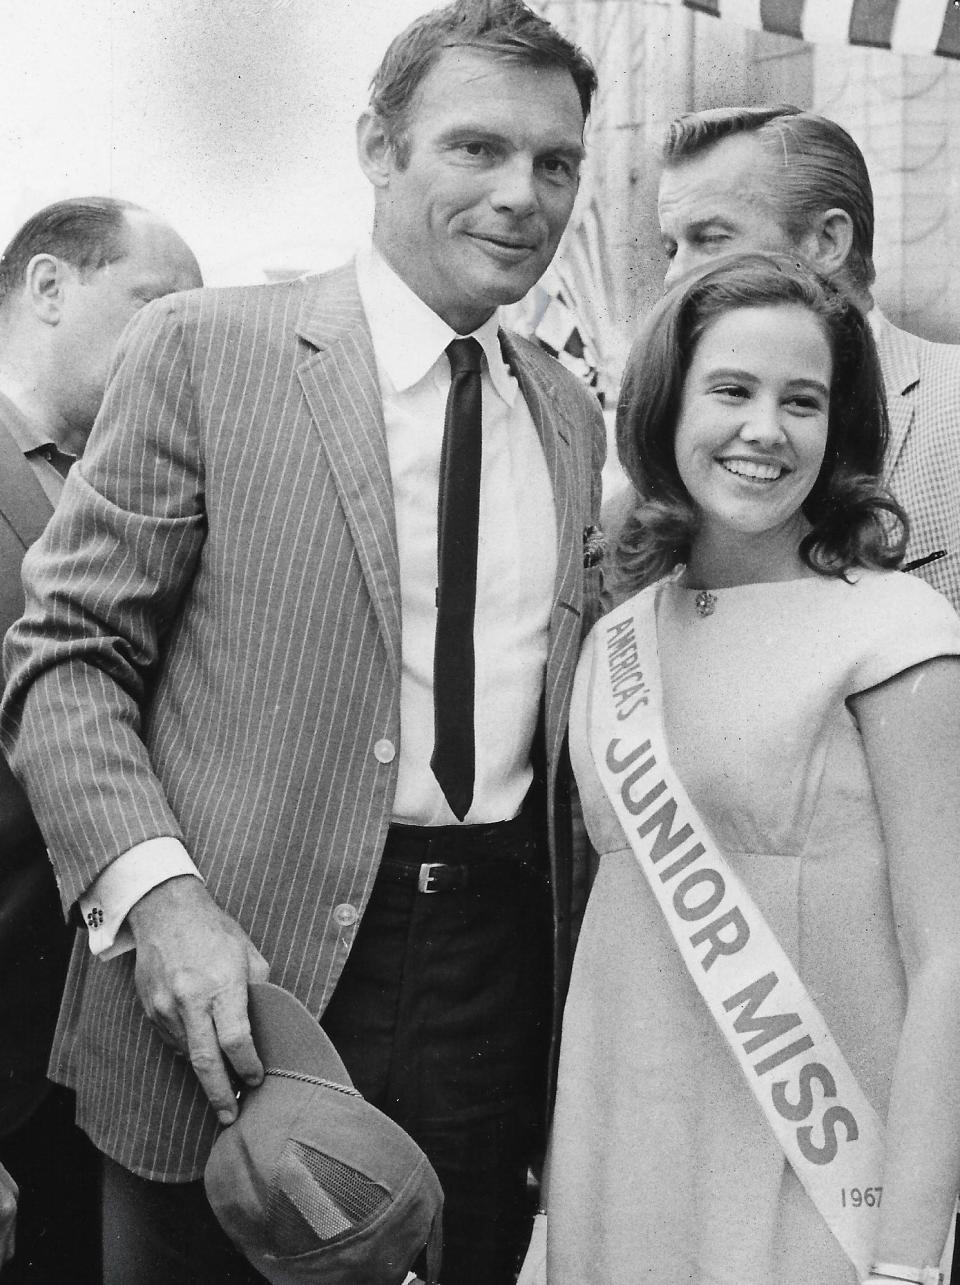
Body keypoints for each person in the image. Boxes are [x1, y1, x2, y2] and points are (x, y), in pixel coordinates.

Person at [0, 4, 604, 1284]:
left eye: (556, 163)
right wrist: (159, 902)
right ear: (378, 147)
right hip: (231, 990)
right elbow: (63, 657)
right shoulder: (207, 349)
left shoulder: (566, 413)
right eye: (477, 149)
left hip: (493, 982)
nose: (521, 195)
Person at [525, 252, 960, 1284]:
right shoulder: (617, 637)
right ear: (667, 409)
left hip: (818, 1169)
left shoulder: (895, 627)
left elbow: (952, 952)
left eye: (801, 401)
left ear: (838, 427)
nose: (766, 430)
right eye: (731, 390)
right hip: (623, 1154)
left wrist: (907, 1251)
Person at [0, 196, 201, 1284]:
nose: (179, 344)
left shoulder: (137, 503)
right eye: (156, 307)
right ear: (46, 287)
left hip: (106, 1082)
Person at [607, 104, 960, 610]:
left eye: (710, 239)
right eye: (671, 248)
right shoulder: (668, 444)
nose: (674, 276)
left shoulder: (951, 402)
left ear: (827, 241)